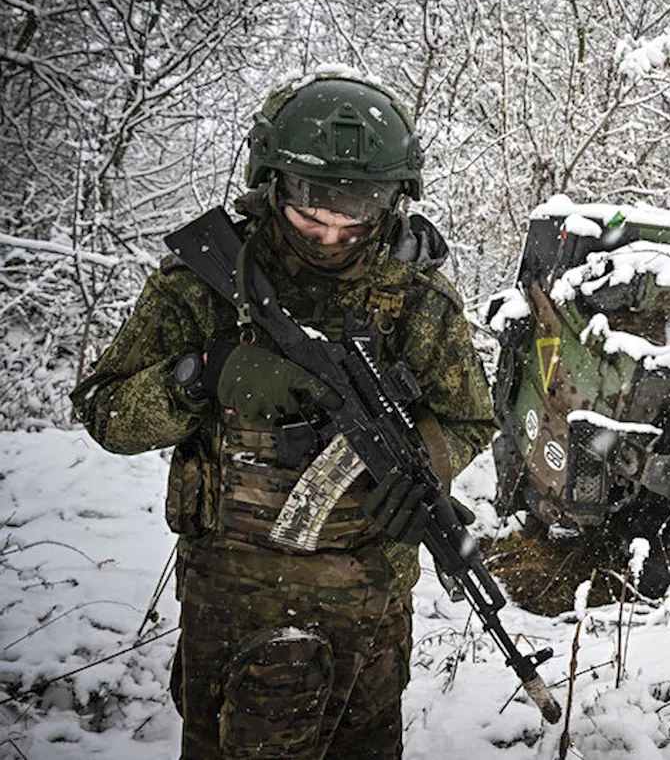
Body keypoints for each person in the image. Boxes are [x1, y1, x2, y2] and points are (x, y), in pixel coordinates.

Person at [71, 69, 495, 759]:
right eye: (309, 211)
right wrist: (204, 374)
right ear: (271, 182)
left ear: (393, 202)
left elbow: (472, 418)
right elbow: (104, 408)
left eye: (354, 215)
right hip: (235, 609)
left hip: (372, 617)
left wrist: (422, 464)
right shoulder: (206, 283)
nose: (330, 234)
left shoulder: (415, 298)